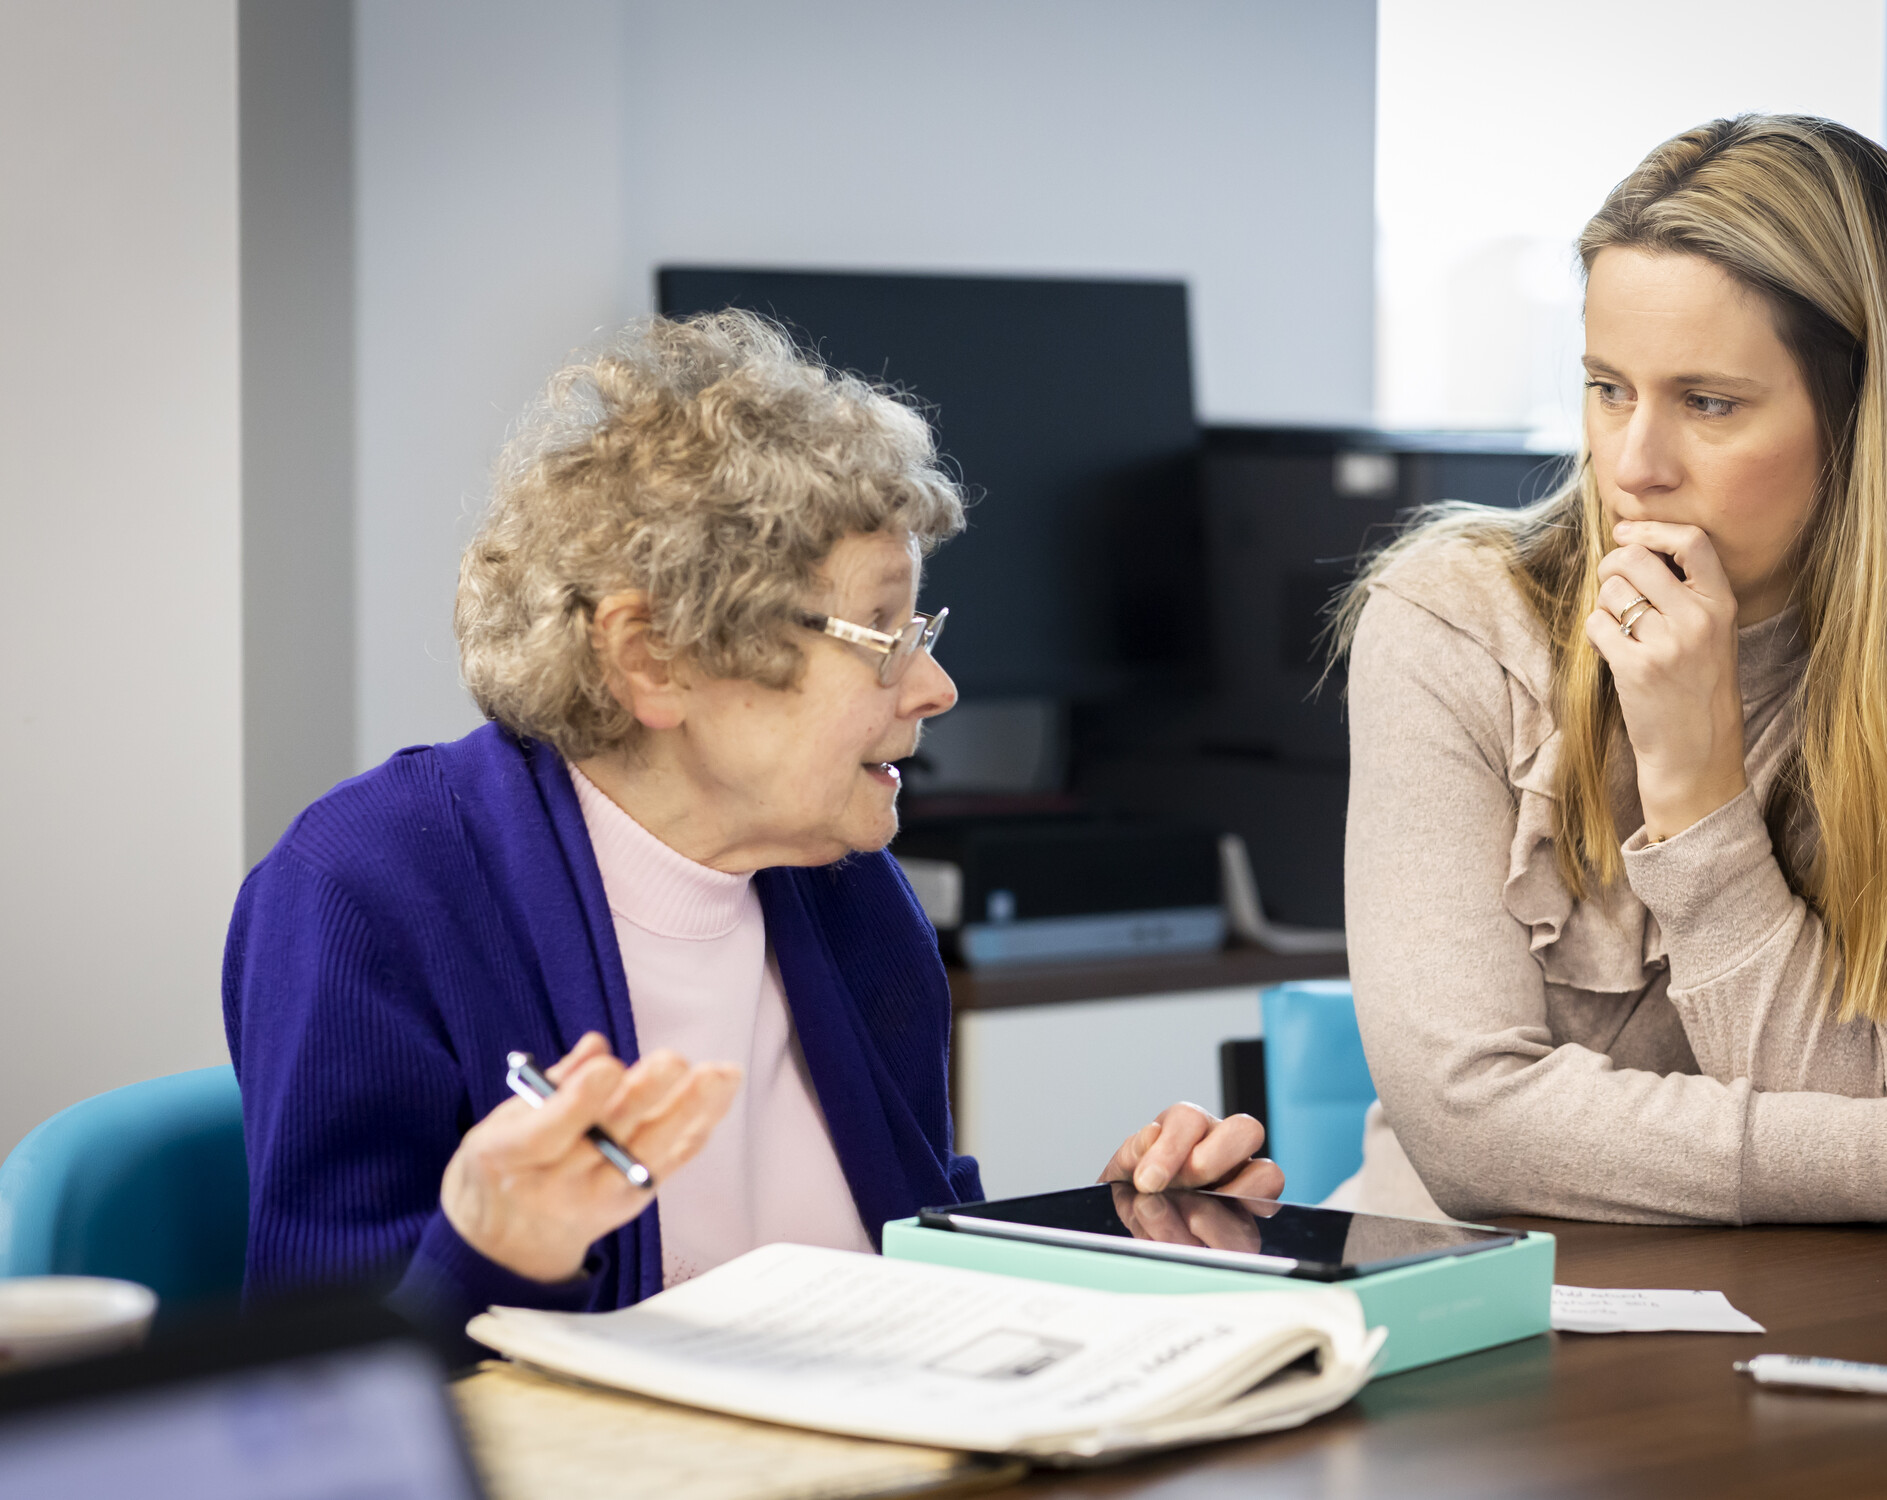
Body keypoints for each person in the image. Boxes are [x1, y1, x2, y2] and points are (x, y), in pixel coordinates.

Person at [223, 313, 1278, 1335]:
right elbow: (330, 1401)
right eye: (885, 636)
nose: (938, 687)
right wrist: (498, 1248)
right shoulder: (369, 890)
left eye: (927, 630)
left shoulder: (843, 883)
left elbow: (912, 1257)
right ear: (655, 659)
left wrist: (1126, 1239)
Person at [1326, 115, 1887, 1226]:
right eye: (1608, 387)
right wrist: (1884, 1156)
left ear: (1867, 418)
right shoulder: (1454, 623)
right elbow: (1471, 1133)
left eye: (1708, 403)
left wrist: (1697, 787)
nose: (1632, 466)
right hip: (1463, 1311)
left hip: (1833, 1323)